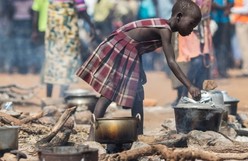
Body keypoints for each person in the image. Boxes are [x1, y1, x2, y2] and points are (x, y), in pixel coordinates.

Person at [76, 0, 202, 143]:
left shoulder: (164, 27)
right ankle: (92, 136)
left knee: (137, 94)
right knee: (108, 93)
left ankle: (138, 135)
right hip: (122, 47)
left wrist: (139, 69)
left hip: (130, 50)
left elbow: (138, 45)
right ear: (178, 17)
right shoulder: (164, 29)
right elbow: (171, 62)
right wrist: (190, 86)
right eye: (191, 24)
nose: (191, 30)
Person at [42, 0, 96, 98]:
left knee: (52, 62)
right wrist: (92, 26)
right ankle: (61, 97)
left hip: (54, 33)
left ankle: (49, 98)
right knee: (67, 62)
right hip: (68, 34)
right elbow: (82, 10)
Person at [170, 0, 214, 106]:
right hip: (190, 27)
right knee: (189, 61)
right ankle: (184, 96)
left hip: (196, 27)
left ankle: (191, 95)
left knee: (198, 60)